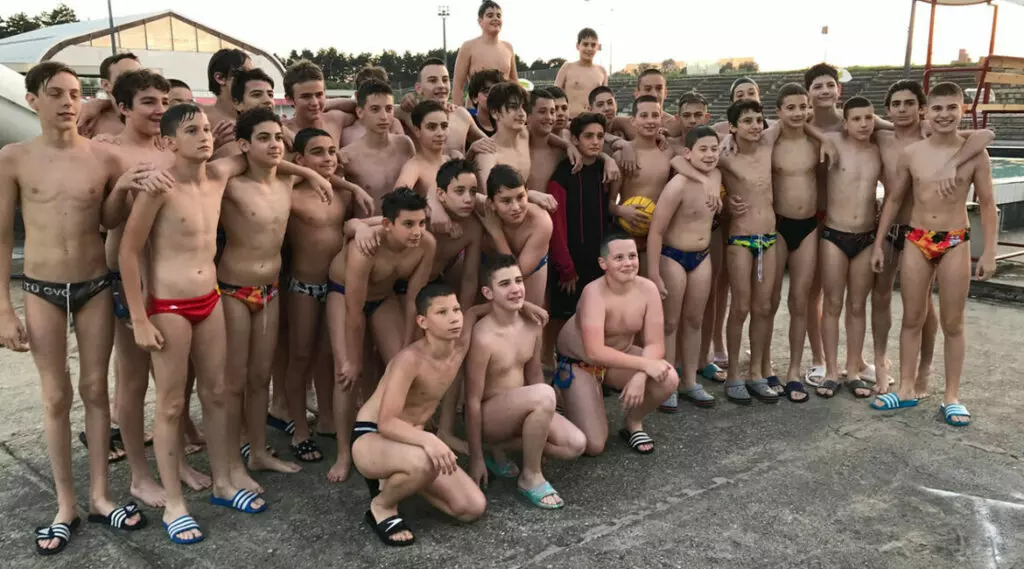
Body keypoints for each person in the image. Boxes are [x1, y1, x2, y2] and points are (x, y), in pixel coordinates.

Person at [118, 103, 330, 544]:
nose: (203, 137)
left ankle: (223, 482)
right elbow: (128, 252)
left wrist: (315, 176)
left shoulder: (218, 175)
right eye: (191, 131)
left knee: (216, 394)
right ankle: (175, 505)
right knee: (171, 404)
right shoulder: (160, 186)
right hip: (169, 305)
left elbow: (269, 159)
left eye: (205, 129)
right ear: (170, 141)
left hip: (210, 298)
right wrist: (139, 317)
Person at [1, 62, 153, 555]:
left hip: (93, 284)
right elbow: (1, 236)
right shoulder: (14, 158)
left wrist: (124, 187)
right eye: (56, 93)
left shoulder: (103, 157)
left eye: (74, 93)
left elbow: (108, 219)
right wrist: (3, 310)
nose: (68, 102)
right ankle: (65, 504)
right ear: (32, 100)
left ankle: (100, 496)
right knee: (54, 397)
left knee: (94, 390)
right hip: (41, 287)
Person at [103, 69, 211, 505]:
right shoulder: (110, 151)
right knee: (132, 382)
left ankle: (177, 461)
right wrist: (123, 185)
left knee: (174, 386)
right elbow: (105, 219)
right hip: (126, 278)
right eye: (148, 101)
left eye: (164, 101)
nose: (158, 109)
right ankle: (139, 474)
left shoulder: (171, 145)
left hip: (168, 282)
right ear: (122, 107)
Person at [870, 81, 998, 427]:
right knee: (912, 318)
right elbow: (894, 199)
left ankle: (951, 396)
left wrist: (989, 252)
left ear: (962, 110)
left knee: (953, 322)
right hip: (916, 238)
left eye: (951, 108)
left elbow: (988, 204)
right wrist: (880, 242)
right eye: (937, 108)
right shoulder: (913, 153)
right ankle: (906, 388)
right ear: (927, 112)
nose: (944, 115)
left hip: (955, 240)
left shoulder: (975, 154)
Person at [220, 108, 330, 473]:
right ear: (244, 144)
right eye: (263, 138)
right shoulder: (232, 185)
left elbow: (328, 176)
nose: (274, 144)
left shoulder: (287, 182)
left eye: (278, 137)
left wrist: (315, 174)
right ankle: (232, 460)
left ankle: (259, 451)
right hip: (234, 290)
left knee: (260, 377)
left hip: (270, 291)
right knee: (234, 380)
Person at [350, 283, 492, 546]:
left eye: (455, 310)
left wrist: (528, 307)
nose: (454, 318)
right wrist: (431, 440)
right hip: (373, 436)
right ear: (422, 322)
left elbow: (475, 311)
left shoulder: (459, 345)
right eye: (442, 313)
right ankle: (382, 505)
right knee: (426, 462)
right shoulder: (409, 360)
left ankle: (398, 478)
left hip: (412, 441)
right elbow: (386, 422)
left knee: (471, 507)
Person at [713, 100, 826, 404]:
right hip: (741, 239)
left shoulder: (767, 144)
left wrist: (824, 138)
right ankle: (733, 374)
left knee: (763, 307)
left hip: (769, 239)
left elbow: (795, 117)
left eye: (758, 120)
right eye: (746, 121)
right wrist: (718, 196)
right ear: (732, 126)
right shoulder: (725, 157)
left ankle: (756, 374)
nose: (755, 126)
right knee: (741, 306)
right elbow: (685, 160)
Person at [327, 189, 436, 483]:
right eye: (409, 224)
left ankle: (395, 436)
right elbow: (353, 313)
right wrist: (352, 360)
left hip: (383, 297)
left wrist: (408, 348)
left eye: (422, 223)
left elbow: (413, 300)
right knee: (346, 374)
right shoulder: (366, 247)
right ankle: (343, 453)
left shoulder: (426, 244)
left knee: (403, 366)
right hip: (344, 296)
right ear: (388, 224)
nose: (417, 231)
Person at [465, 255, 586, 509]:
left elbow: (534, 377)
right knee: (544, 394)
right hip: (491, 417)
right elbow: (472, 400)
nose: (515, 288)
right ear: (488, 293)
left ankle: (500, 448)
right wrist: (475, 457)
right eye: (505, 284)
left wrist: (543, 423)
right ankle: (530, 477)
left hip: (524, 407)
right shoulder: (483, 337)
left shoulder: (532, 326)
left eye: (518, 281)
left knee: (575, 444)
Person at [554, 232, 679, 455]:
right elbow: (594, 351)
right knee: (594, 445)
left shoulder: (648, 289)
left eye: (632, 256)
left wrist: (641, 375)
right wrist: (644, 365)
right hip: (580, 364)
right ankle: (560, 395)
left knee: (668, 378)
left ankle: (633, 422)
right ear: (603, 263)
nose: (628, 263)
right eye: (619, 258)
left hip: (619, 357)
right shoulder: (593, 293)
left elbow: (655, 344)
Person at [278, 128, 352, 463]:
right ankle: (299, 429)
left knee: (327, 355)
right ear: (300, 159)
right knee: (300, 356)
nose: (327, 158)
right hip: (303, 287)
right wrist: (303, 175)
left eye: (332, 151)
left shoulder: (342, 192)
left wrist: (350, 186)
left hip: (335, 287)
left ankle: (325, 417)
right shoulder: (291, 194)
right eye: (318, 152)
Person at [647, 126, 722, 411]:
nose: (710, 154)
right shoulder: (678, 185)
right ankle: (668, 383)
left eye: (714, 149)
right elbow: (656, 231)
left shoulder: (716, 176)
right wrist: (654, 273)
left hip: (701, 256)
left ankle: (690, 381)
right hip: (673, 256)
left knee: (694, 320)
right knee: (670, 322)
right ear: (689, 153)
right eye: (703, 150)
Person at [814, 97, 882, 399]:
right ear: (845, 122)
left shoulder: (879, 149)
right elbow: (800, 124)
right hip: (835, 235)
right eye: (856, 118)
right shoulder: (833, 142)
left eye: (869, 118)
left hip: (866, 236)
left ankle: (853, 370)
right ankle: (831, 371)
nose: (864, 124)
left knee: (857, 306)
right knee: (832, 303)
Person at [765, 83, 821, 402]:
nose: (798, 112)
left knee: (800, 300)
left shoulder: (816, 141)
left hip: (809, 225)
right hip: (778, 225)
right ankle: (765, 366)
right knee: (769, 300)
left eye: (803, 106)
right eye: (791, 107)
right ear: (779, 111)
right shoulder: (770, 142)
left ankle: (794, 371)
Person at [548, 113, 611, 366]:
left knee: (594, 318)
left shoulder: (604, 170)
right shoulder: (562, 174)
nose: (595, 141)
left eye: (600, 136)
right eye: (588, 136)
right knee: (564, 319)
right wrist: (566, 267)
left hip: (598, 263)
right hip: (570, 266)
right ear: (574, 139)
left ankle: (592, 368)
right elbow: (556, 226)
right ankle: (558, 366)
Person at [339, 80, 416, 211]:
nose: (384, 116)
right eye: (375, 109)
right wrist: (353, 188)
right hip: (367, 222)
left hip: (403, 222)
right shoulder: (348, 155)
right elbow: (329, 183)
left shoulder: (405, 144)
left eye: (389, 109)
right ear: (360, 112)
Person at [398, 58, 494, 157]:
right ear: (418, 88)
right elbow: (388, 108)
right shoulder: (409, 112)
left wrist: (471, 152)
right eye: (433, 80)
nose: (441, 85)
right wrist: (406, 100)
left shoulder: (461, 115)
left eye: (445, 80)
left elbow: (492, 145)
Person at [486, 165, 551, 308]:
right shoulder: (483, 209)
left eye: (520, 197)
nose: (515, 207)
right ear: (491, 204)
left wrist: (496, 233)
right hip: (490, 263)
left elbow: (515, 275)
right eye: (506, 201)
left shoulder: (540, 222)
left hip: (528, 268)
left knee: (529, 316)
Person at [452, 1, 518, 106]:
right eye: (490, 15)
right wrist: (458, 112)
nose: (495, 18)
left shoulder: (508, 47)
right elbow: (458, 86)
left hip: (503, 108)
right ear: (480, 21)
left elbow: (514, 83)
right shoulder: (468, 47)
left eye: (498, 16)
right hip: (475, 109)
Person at [210, 67, 277, 159]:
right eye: (256, 95)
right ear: (237, 103)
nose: (267, 100)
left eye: (270, 95)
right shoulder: (229, 143)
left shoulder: (286, 138)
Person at [396, 100, 457, 196]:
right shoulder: (414, 167)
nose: (440, 133)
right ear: (417, 131)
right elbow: (396, 197)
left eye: (444, 126)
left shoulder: (450, 160)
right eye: (432, 127)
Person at [76, 52, 142, 138]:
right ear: (106, 85)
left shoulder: (155, 116)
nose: (137, 81)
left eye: (141, 75)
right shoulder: (89, 122)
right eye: (127, 76)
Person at [282, 60, 347, 144]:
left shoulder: (335, 120)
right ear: (290, 99)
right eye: (306, 96)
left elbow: (357, 105)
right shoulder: (280, 132)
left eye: (319, 95)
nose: (315, 102)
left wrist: (327, 104)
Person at [202, 48, 253, 147]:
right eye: (243, 73)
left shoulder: (258, 119)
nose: (251, 80)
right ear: (220, 78)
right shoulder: (200, 117)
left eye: (253, 74)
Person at [555, 28, 608, 118]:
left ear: (597, 47)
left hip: (593, 120)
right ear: (578, 46)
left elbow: (605, 98)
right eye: (585, 44)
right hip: (571, 119)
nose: (589, 48)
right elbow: (554, 95)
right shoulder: (567, 68)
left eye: (593, 45)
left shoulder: (602, 71)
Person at [466, 68, 504, 137]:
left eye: (497, 91)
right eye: (486, 91)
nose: (493, 95)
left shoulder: (507, 124)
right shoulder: (466, 124)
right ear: (475, 98)